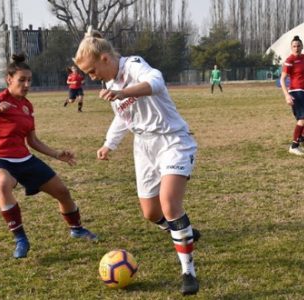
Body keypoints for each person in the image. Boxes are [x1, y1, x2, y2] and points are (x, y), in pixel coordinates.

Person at [73, 28, 200, 296]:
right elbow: (123, 117)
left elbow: (157, 82)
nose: (92, 78)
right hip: (144, 147)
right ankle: (181, 230)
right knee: (152, 213)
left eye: (92, 71)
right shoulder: (109, 86)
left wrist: (125, 91)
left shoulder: (134, 65)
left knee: (169, 203)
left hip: (172, 140)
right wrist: (109, 144)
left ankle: (188, 271)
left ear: (105, 58)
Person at [0, 54, 97, 259]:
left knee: (62, 192)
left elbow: (33, 141)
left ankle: (77, 229)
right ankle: (20, 239)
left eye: (29, 80)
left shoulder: (28, 106)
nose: (27, 84)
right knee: (3, 183)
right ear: (9, 80)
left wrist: (57, 154)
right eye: (22, 80)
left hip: (24, 159)